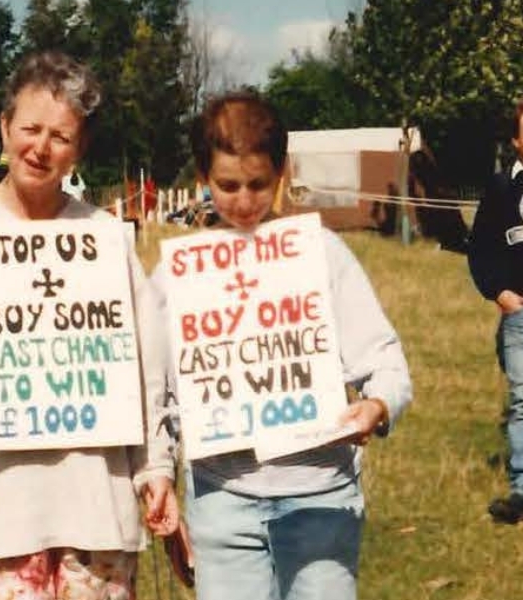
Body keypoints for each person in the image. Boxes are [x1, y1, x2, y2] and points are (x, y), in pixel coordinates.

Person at [0, 50, 178, 600]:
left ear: (80, 148)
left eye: (61, 136)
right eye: (29, 128)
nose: (41, 148)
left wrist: (155, 469)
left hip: (98, 513)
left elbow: (145, 368)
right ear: (3, 129)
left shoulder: (104, 237)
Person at [150, 91, 412, 600]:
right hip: (222, 503)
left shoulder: (322, 253)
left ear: (281, 174)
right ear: (202, 177)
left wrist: (376, 407)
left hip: (320, 500)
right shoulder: (176, 275)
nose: (244, 201)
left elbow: (386, 362)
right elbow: (155, 391)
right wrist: (160, 474)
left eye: (258, 184)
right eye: (227, 185)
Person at [468, 97, 523, 524]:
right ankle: (522, 491)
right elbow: (479, 250)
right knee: (522, 401)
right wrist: (499, 292)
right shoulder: (501, 188)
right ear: (516, 140)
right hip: (518, 318)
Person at [408, 149, 469, 253]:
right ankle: (446, 240)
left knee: (445, 216)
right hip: (436, 200)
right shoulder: (422, 174)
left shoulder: (430, 173)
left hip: (439, 199)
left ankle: (453, 238)